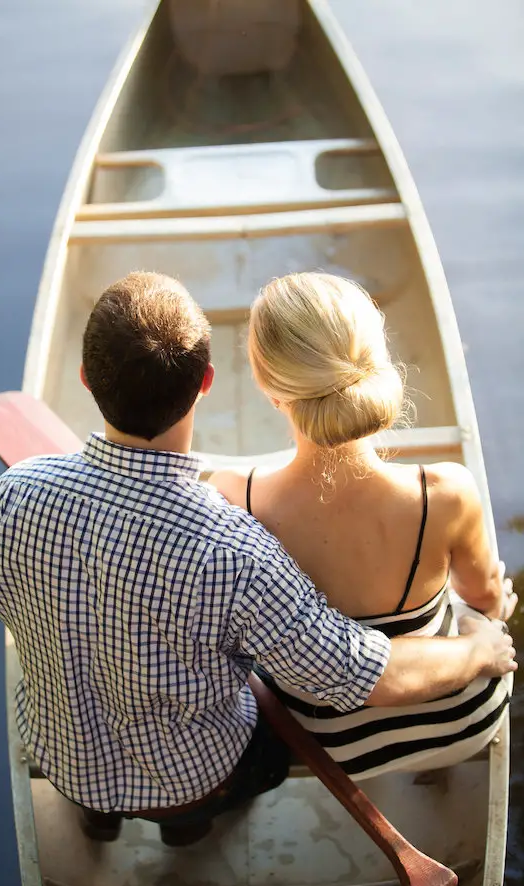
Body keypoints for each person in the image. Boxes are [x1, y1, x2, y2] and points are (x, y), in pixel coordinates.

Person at [0, 272, 516, 848]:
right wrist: (478, 646)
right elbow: (354, 672)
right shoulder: (236, 551)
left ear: (85, 380)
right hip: (202, 779)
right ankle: (186, 829)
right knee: (253, 659)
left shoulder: (9, 496)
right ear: (207, 382)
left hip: (64, 758)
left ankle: (101, 818)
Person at [211, 271, 517, 780]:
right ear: (374, 363)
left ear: (268, 388)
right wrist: (490, 612)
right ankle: (434, 769)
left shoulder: (235, 496)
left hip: (335, 748)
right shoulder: (444, 491)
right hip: (463, 722)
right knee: (486, 601)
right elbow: (484, 596)